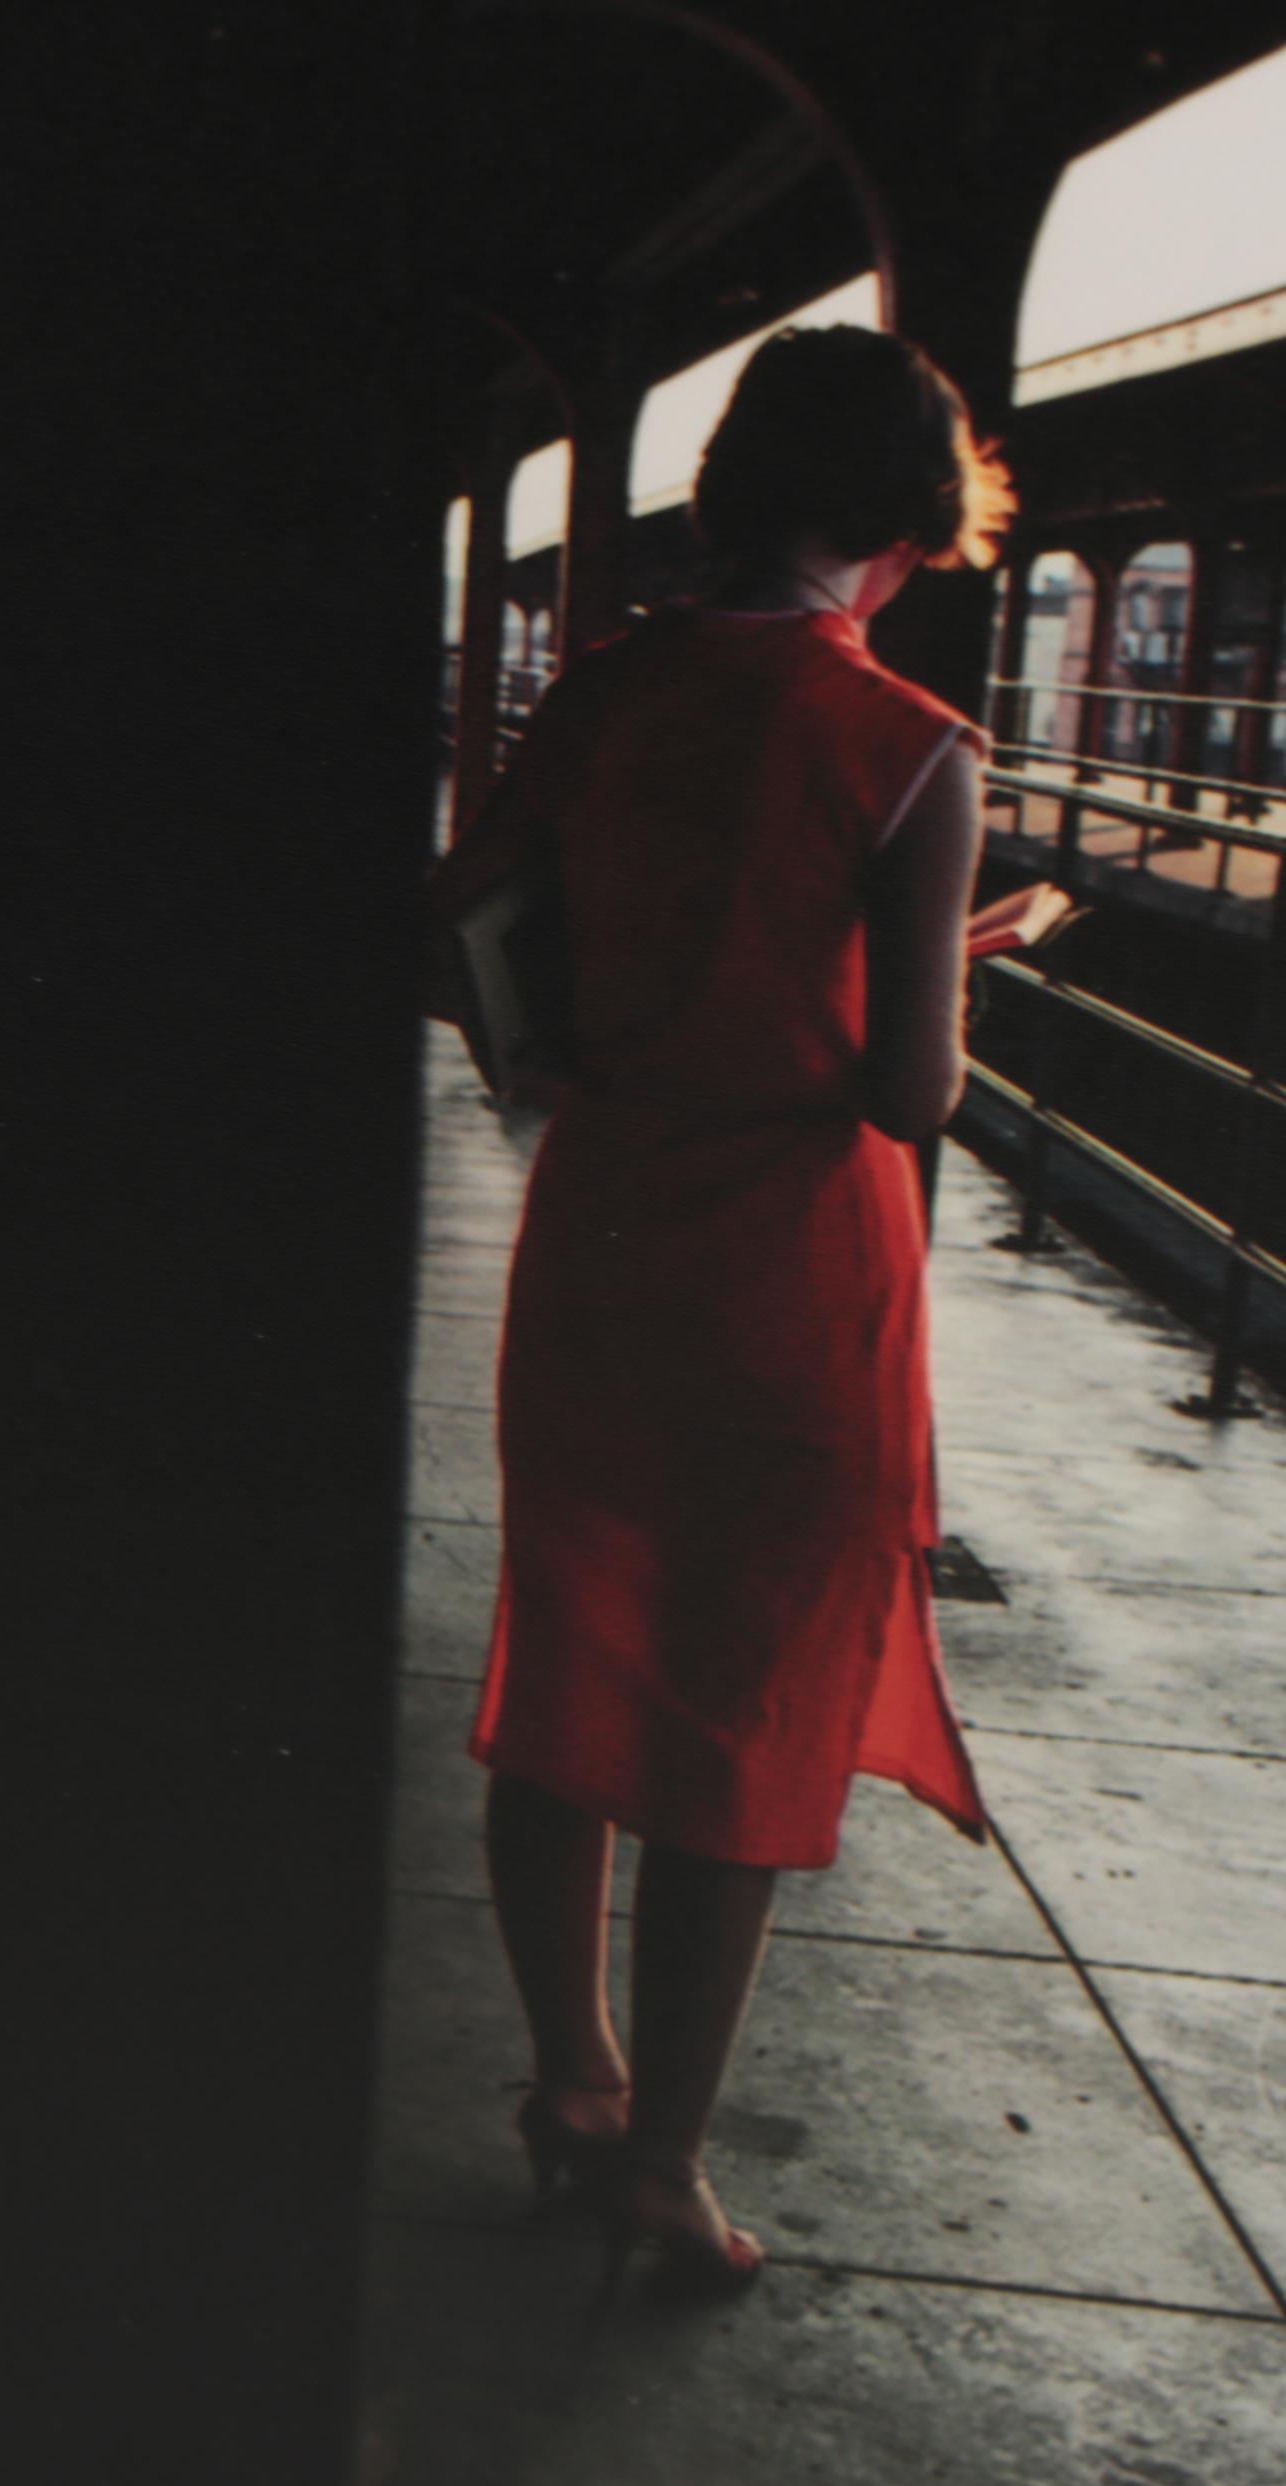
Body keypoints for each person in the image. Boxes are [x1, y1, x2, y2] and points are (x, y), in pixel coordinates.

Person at [424, 326, 1016, 2285]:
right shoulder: (911, 749)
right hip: (789, 1266)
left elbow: (473, 922)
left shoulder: (599, 694)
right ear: (899, 526)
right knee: (737, 1697)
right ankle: (666, 2165)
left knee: (566, 1647)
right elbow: (906, 1092)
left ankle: (566, 2077)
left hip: (599, 1229)